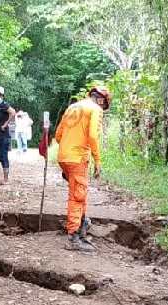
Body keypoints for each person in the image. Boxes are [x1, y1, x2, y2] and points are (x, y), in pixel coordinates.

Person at [55, 86, 112, 251]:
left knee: (80, 190)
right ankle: (73, 237)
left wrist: (69, 148)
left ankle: (82, 222)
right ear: (101, 100)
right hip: (77, 158)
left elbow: (58, 135)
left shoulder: (72, 107)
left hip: (63, 157)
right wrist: (97, 160)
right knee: (77, 196)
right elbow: (93, 136)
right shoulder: (95, 109)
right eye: (104, 105)